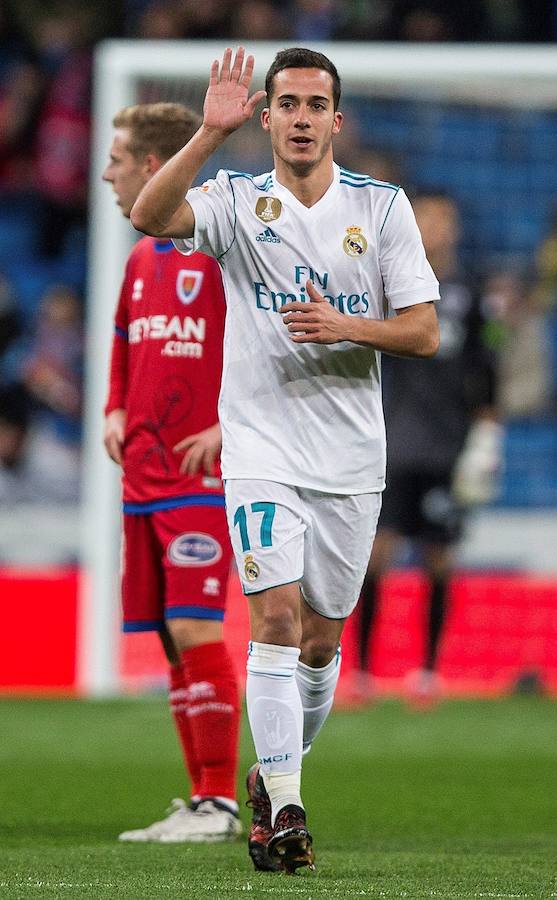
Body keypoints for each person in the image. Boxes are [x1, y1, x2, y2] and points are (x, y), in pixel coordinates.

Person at [130, 47, 440, 873]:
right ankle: (289, 805)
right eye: (286, 104)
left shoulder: (381, 209)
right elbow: (151, 218)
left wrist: (349, 326)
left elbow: (424, 330)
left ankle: (271, 780)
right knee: (271, 619)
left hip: (350, 459)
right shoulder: (235, 201)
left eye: (315, 105)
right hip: (262, 451)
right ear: (264, 117)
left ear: (335, 121)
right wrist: (208, 132)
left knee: (319, 641)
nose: (301, 118)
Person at [102, 102, 241, 844]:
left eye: (117, 161)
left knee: (195, 626)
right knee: (166, 632)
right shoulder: (137, 260)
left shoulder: (218, 250)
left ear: (152, 166)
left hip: (203, 474)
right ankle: (200, 797)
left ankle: (220, 802)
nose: (105, 173)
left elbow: (267, 344)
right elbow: (126, 343)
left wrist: (228, 423)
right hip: (143, 477)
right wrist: (113, 409)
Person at [357, 191, 502, 706]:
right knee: (377, 554)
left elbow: (487, 373)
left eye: (445, 218)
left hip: (448, 448)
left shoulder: (473, 294)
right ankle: (364, 673)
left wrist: (486, 441)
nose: (436, 227)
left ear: (456, 228)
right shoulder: (387, 283)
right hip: (392, 443)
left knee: (439, 558)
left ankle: (427, 671)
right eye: (427, 217)